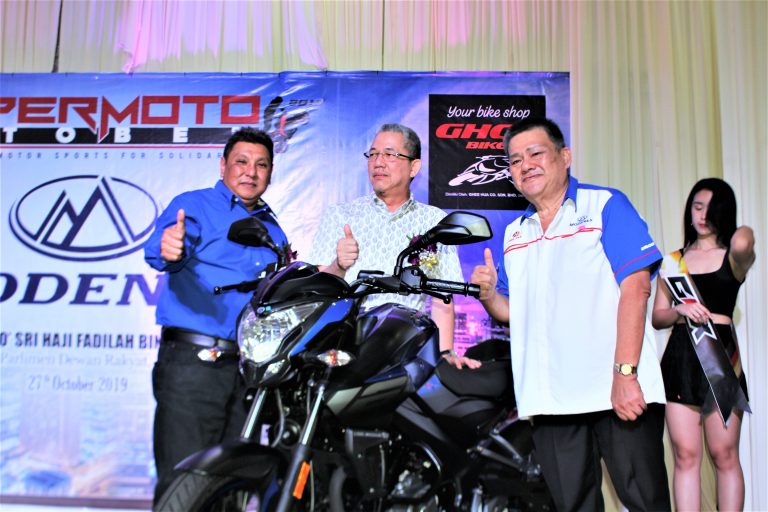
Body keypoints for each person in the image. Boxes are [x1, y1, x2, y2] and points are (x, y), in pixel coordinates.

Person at [470, 117, 671, 511]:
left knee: (646, 502)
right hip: (552, 401)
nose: (525, 165)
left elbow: (637, 289)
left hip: (615, 389)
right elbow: (512, 312)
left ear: (565, 156)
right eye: (515, 160)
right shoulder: (515, 233)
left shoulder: (605, 205)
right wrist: (490, 295)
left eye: (535, 153)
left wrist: (625, 374)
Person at [144, 128, 289, 504]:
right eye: (241, 162)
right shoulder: (194, 205)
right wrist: (168, 249)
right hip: (194, 367)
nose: (250, 172)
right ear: (223, 165)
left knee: (231, 490)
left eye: (261, 165)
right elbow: (162, 248)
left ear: (270, 172)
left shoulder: (274, 229)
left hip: (247, 374)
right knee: (183, 486)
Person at [308, 123, 480, 370]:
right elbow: (318, 291)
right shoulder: (340, 215)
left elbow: (442, 299)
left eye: (389, 154)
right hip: (343, 348)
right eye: (373, 154)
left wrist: (444, 354)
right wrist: (339, 265)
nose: (378, 162)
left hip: (406, 350)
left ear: (414, 167)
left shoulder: (434, 222)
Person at [651, 178, 754, 511]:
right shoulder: (672, 261)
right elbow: (658, 318)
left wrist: (740, 232)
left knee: (724, 454)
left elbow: (744, 244)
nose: (703, 215)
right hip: (680, 360)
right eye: (697, 207)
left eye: (711, 209)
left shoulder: (732, 258)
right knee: (685, 455)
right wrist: (679, 310)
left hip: (720, 360)